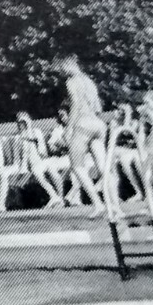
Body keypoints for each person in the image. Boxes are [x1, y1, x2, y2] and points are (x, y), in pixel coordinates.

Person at [57, 56, 109, 215]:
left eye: (62, 69)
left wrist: (69, 128)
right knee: (103, 168)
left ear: (69, 65)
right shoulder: (89, 81)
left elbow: (76, 103)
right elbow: (98, 107)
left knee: (77, 166)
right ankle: (114, 205)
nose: (62, 73)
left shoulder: (71, 82)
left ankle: (98, 204)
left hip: (83, 124)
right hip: (98, 124)